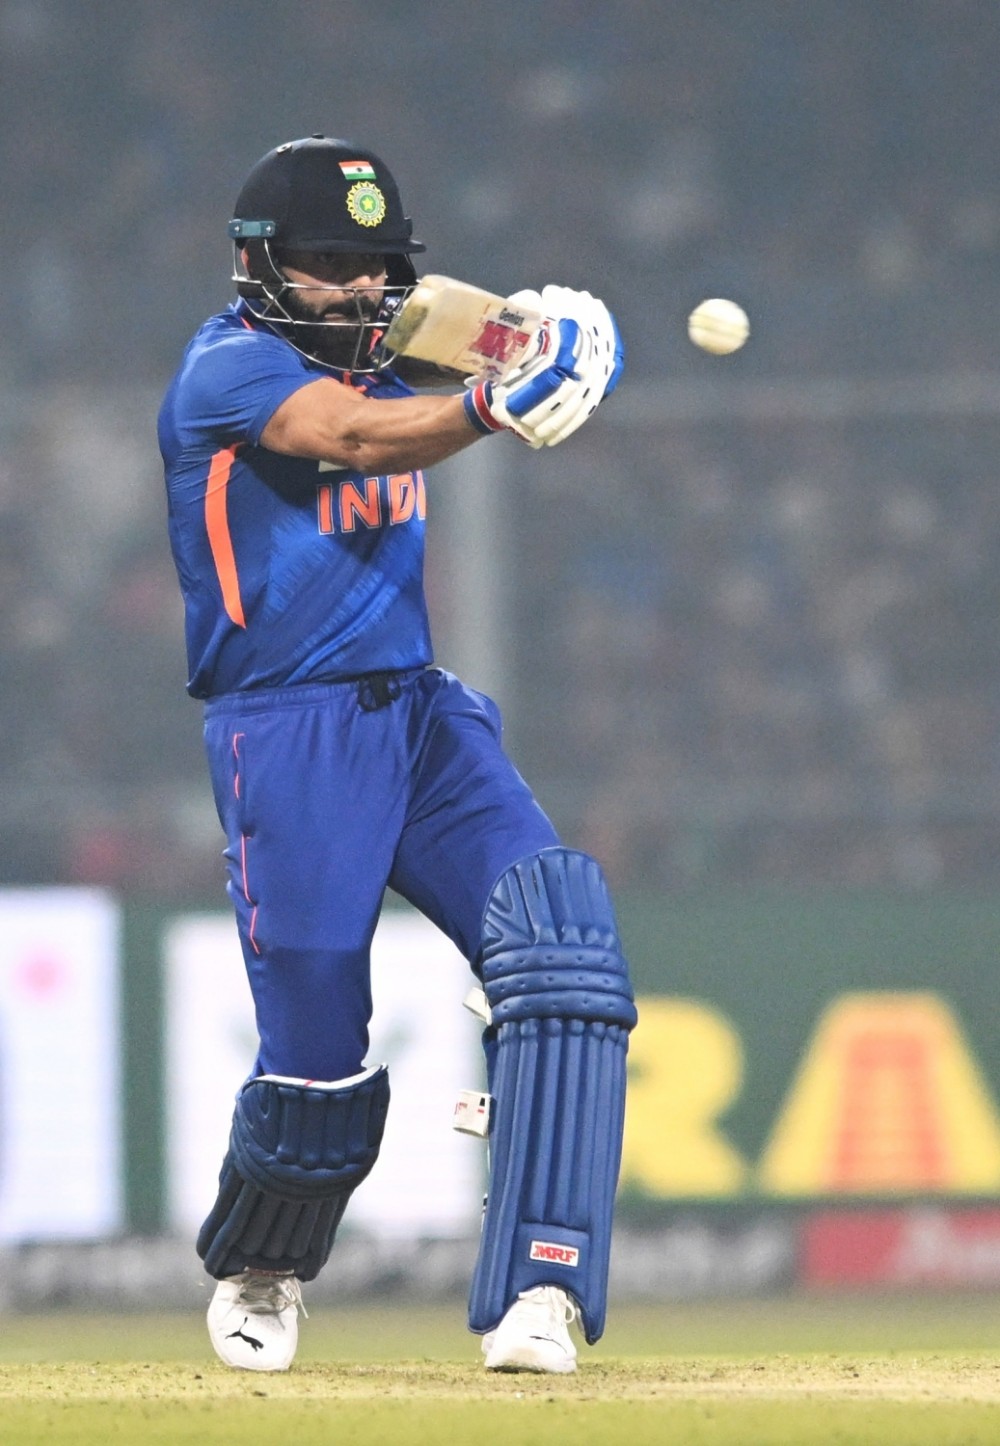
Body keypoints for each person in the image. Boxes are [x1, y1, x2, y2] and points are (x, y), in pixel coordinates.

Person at [157, 134, 637, 1376]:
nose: (359, 289)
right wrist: (492, 401)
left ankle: (540, 1284)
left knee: (563, 949)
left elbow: (507, 336)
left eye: (376, 267)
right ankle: (264, 1264)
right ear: (258, 266)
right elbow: (364, 440)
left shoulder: (395, 327)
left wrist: (561, 334)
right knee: (318, 1053)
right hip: (288, 728)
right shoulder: (226, 371)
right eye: (325, 264)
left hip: (419, 716)